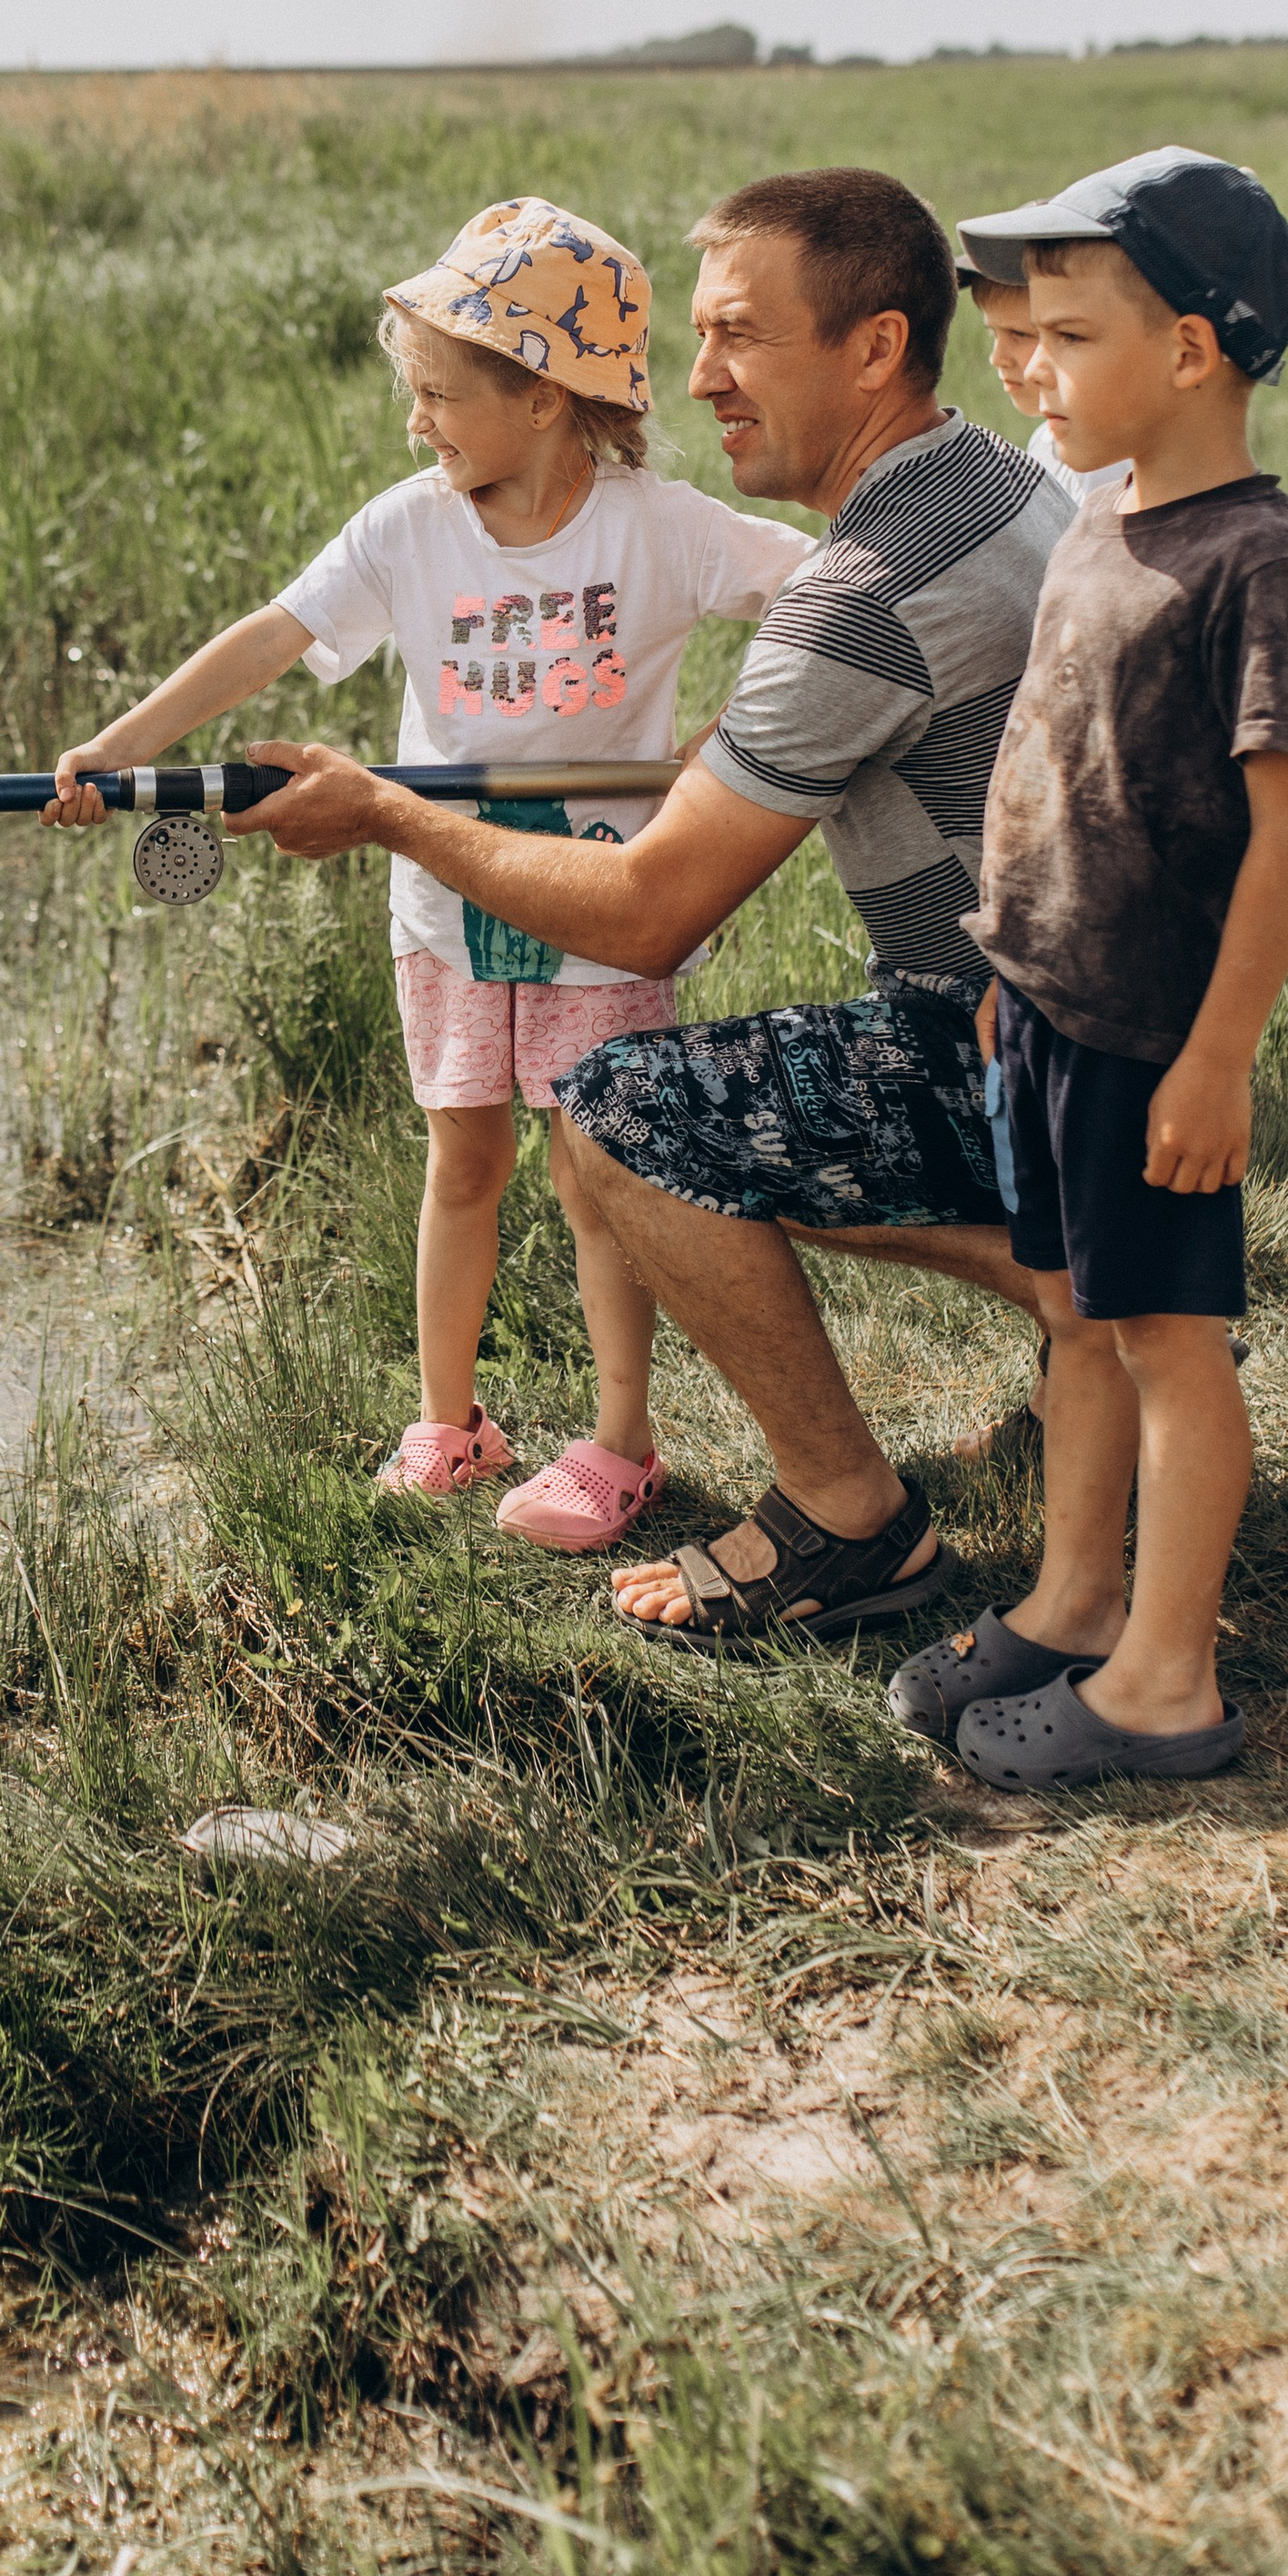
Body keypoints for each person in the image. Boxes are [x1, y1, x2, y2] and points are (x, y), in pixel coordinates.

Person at [229, 167, 1071, 1643]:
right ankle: (1094, 1294)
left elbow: (644, 916)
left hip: (1021, 1050)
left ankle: (854, 1513)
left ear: (874, 347)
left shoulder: (858, 590)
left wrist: (384, 811)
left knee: (625, 1111)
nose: (697, 381)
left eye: (740, 335)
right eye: (695, 335)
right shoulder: (998, 483)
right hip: (1088, 1012)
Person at [43, 197, 810, 1543]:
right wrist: (116, 748)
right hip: (443, 908)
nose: (420, 424)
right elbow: (271, 638)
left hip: (597, 905)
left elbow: (832, 596)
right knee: (464, 1160)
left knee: (596, 1170)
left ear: (549, 395)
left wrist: (724, 748)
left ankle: (619, 1443)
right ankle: (448, 1423)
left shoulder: (664, 531)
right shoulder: (411, 527)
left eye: (443, 395)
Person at [887, 147, 1288, 1784]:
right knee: (1078, 1317)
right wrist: (1013, 966)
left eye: (1066, 340)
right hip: (1051, 1011)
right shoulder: (1103, 508)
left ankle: (1165, 1681)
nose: (1027, 367)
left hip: (1158, 1035)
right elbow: (1057, 760)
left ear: (1194, 352)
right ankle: (1076, 1604)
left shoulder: (1255, 564)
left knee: (1166, 1341)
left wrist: (1218, 1059)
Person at [959, 255, 1127, 508]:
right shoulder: (1044, 440)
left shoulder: (1101, 466)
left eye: (1019, 334)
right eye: (993, 333)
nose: (997, 358)